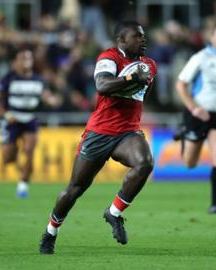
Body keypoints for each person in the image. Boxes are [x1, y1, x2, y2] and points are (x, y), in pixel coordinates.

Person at [39, 21, 156, 254]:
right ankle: (51, 232)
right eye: (137, 36)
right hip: (99, 132)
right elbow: (102, 85)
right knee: (75, 189)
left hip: (127, 132)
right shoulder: (109, 57)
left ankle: (113, 213)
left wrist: (136, 82)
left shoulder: (149, 65)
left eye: (143, 36)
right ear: (121, 40)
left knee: (145, 163)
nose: (143, 40)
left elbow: (143, 95)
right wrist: (131, 79)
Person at [176, 23, 216, 214]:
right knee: (190, 163)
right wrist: (194, 108)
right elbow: (181, 85)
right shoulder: (200, 58)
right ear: (212, 37)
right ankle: (183, 135)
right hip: (197, 113)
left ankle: (215, 203)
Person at [0, 49, 60, 198]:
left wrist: (52, 100)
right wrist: (6, 114)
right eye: (22, 58)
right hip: (12, 120)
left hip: (30, 119)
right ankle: (21, 169)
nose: (26, 61)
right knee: (8, 157)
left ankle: (23, 185)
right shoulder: (8, 78)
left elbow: (46, 96)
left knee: (29, 150)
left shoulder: (38, 79)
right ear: (16, 61)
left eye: (29, 58)